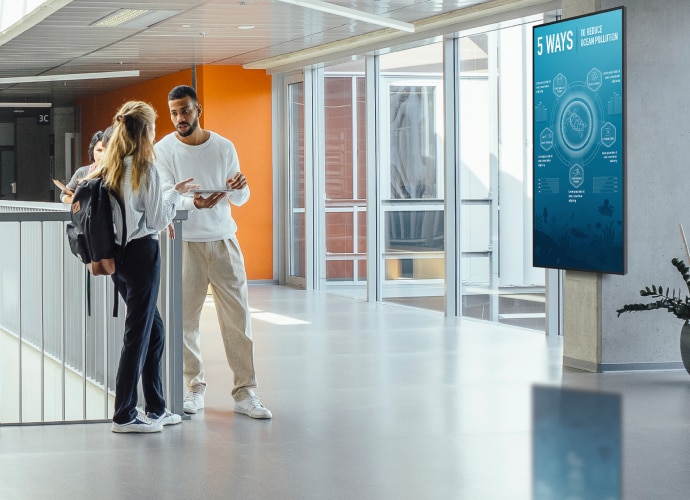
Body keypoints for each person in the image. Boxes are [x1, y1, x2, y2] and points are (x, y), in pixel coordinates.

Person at [155, 85, 272, 419]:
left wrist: (241, 186)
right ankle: (193, 389)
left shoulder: (223, 147)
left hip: (224, 241)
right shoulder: (163, 149)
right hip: (184, 244)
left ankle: (246, 392)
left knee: (238, 320)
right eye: (174, 112)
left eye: (186, 111)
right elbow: (166, 195)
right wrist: (194, 202)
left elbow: (240, 198)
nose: (180, 118)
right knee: (184, 321)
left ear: (198, 109)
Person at [95, 100, 198, 433]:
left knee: (154, 331)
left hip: (119, 257)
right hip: (142, 254)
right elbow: (155, 218)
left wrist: (168, 192)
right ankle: (124, 414)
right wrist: (172, 198)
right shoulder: (145, 167)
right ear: (147, 130)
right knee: (138, 334)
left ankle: (156, 407)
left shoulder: (112, 166)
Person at [60, 127, 111, 203]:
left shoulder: (119, 173)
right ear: (92, 151)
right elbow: (63, 194)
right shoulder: (82, 172)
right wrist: (73, 200)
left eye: (107, 150)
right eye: (99, 150)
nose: (103, 155)